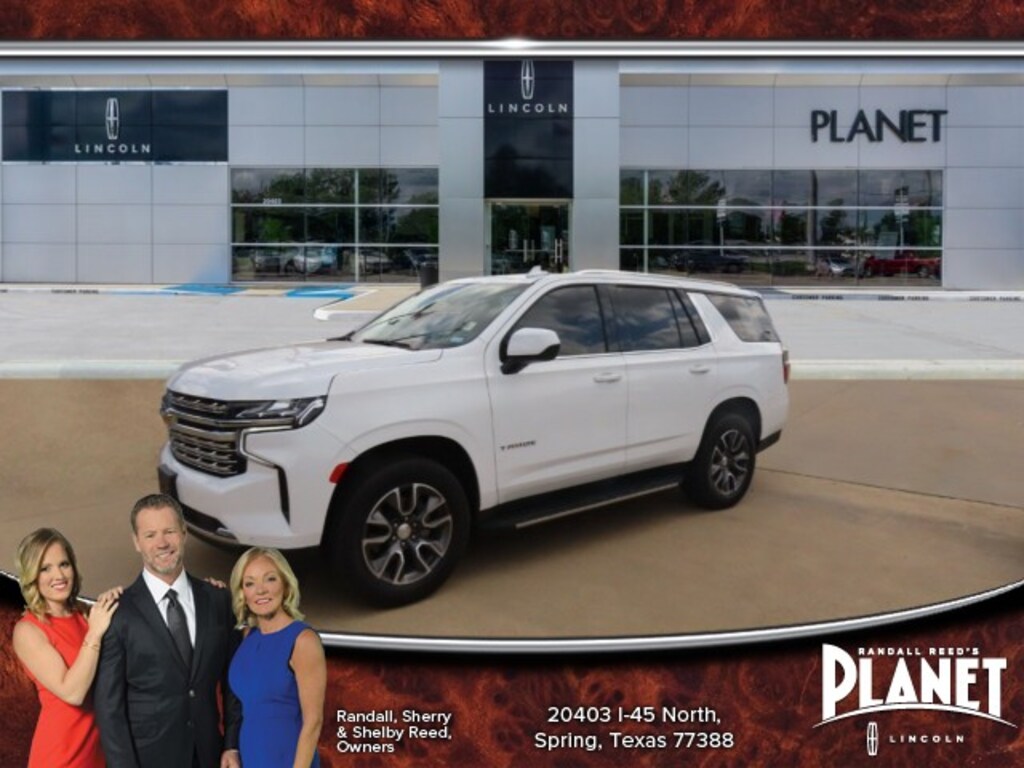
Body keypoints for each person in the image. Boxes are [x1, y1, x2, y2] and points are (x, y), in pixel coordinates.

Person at [93, 493, 242, 768]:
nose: (161, 543)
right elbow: (109, 707)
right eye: (150, 535)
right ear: (136, 542)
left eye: (169, 531)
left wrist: (231, 743)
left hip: (210, 755)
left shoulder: (218, 599)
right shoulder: (117, 612)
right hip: (148, 759)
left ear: (184, 534)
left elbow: (234, 682)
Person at [13, 528, 121, 768]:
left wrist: (115, 602)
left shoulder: (85, 614)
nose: (59, 575)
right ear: (32, 575)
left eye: (64, 564)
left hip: (99, 755)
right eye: (45, 568)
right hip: (61, 757)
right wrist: (94, 633)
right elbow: (73, 693)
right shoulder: (28, 630)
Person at [228, 547, 326, 768]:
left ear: (285, 584)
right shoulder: (247, 637)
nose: (260, 590)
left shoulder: (303, 640)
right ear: (243, 592)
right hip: (251, 759)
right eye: (250, 583)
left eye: (270, 579)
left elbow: (313, 722)